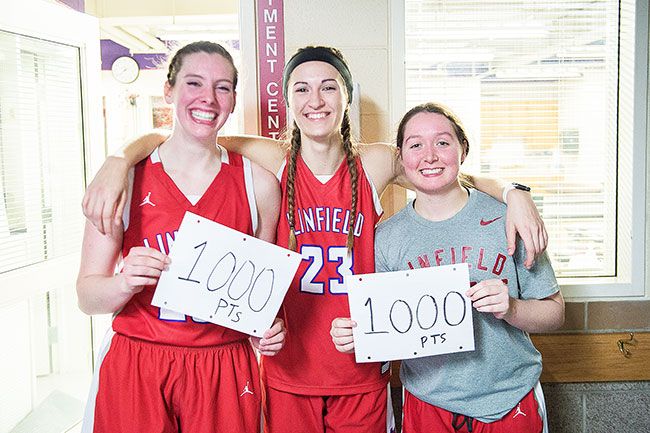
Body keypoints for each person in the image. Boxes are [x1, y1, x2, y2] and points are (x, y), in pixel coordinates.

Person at [81, 47, 548, 433]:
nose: (316, 99)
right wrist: (120, 159)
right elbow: (189, 132)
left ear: (347, 98)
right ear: (287, 101)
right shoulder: (274, 159)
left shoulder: (374, 163)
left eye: (329, 87)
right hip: (288, 370)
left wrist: (512, 192)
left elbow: (443, 171)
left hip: (360, 371)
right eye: (301, 89)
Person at [76, 41, 285, 433]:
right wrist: (123, 283)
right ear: (168, 91)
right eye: (194, 83)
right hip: (139, 360)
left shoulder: (258, 184)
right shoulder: (126, 179)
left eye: (222, 87)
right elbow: (87, 296)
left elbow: (259, 305)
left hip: (222, 364)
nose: (208, 98)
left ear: (233, 100)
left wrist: (267, 332)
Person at [332, 102, 564, 433]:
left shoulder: (507, 218)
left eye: (442, 142)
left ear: (462, 149)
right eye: (415, 144)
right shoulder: (385, 238)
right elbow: (382, 331)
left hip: (511, 400)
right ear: (402, 157)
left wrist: (511, 308)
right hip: (429, 405)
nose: (430, 156)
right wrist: (356, 336)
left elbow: (555, 314)